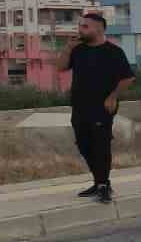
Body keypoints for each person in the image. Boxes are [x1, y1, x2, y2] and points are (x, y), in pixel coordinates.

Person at [57, 12, 134, 203]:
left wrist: (113, 96)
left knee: (101, 145)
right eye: (80, 26)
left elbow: (128, 77)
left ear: (99, 29)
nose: (80, 30)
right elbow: (61, 67)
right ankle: (99, 180)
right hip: (79, 105)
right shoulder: (78, 49)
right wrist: (67, 49)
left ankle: (103, 184)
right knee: (83, 144)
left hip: (102, 106)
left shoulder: (113, 51)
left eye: (85, 26)